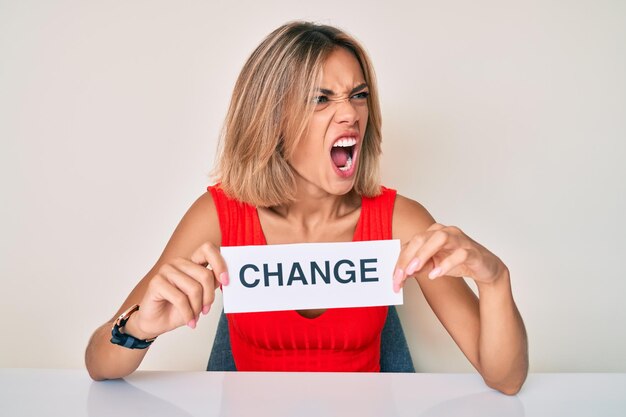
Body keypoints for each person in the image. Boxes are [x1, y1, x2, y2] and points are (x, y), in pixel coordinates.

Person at [85, 21, 528, 394]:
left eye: (358, 95)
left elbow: (505, 380)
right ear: (272, 120)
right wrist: (138, 327)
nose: (351, 114)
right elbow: (98, 362)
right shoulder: (218, 215)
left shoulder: (400, 220)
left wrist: (496, 279)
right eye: (321, 99)